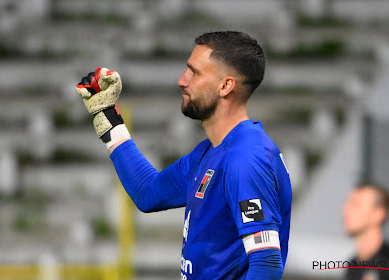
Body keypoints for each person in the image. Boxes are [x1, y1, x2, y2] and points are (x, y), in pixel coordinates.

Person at [76, 31, 292, 280]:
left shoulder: (246, 158)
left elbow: (266, 262)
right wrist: (107, 118)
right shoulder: (210, 152)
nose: (182, 80)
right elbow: (148, 192)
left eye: (194, 72)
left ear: (225, 86)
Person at [343, 183, 389, 280]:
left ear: (378, 214)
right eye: (348, 203)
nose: (346, 210)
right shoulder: (352, 267)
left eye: (356, 204)